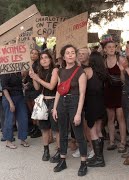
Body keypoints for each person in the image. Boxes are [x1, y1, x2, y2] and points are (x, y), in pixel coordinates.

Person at [52, 44, 88, 176]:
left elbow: (82, 94)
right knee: (62, 132)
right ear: (64, 56)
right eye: (68, 53)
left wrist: (78, 113)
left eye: (73, 52)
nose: (71, 55)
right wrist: (55, 107)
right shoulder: (60, 71)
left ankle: (83, 163)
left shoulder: (80, 71)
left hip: (74, 102)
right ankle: (62, 160)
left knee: (78, 134)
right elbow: (59, 89)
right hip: (62, 102)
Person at [30, 50, 59, 161]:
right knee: (44, 128)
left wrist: (37, 78)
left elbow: (51, 86)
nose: (44, 60)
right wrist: (34, 77)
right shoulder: (40, 71)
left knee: (56, 130)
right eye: (41, 58)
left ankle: (59, 151)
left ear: (50, 59)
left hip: (53, 102)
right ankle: (46, 150)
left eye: (46, 57)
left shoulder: (55, 70)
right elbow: (37, 88)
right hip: (43, 103)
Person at [100, 36, 127, 153]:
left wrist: (121, 71)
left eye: (113, 47)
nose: (111, 49)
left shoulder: (120, 59)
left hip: (119, 92)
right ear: (105, 49)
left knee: (120, 118)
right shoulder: (103, 62)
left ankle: (123, 142)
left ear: (116, 48)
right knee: (110, 118)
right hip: (108, 92)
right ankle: (111, 142)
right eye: (108, 47)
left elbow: (124, 80)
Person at [83, 52, 107, 167]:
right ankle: (100, 157)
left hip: (91, 104)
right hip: (101, 103)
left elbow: (82, 88)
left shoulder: (87, 71)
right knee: (99, 130)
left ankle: (99, 159)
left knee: (92, 130)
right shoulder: (103, 72)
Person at [1, 72, 29, 149]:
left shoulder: (17, 71)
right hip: (8, 98)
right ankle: (8, 141)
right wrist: (10, 103)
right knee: (9, 120)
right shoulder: (4, 72)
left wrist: (23, 86)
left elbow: (18, 83)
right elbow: (4, 88)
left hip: (19, 97)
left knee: (23, 118)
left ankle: (23, 139)